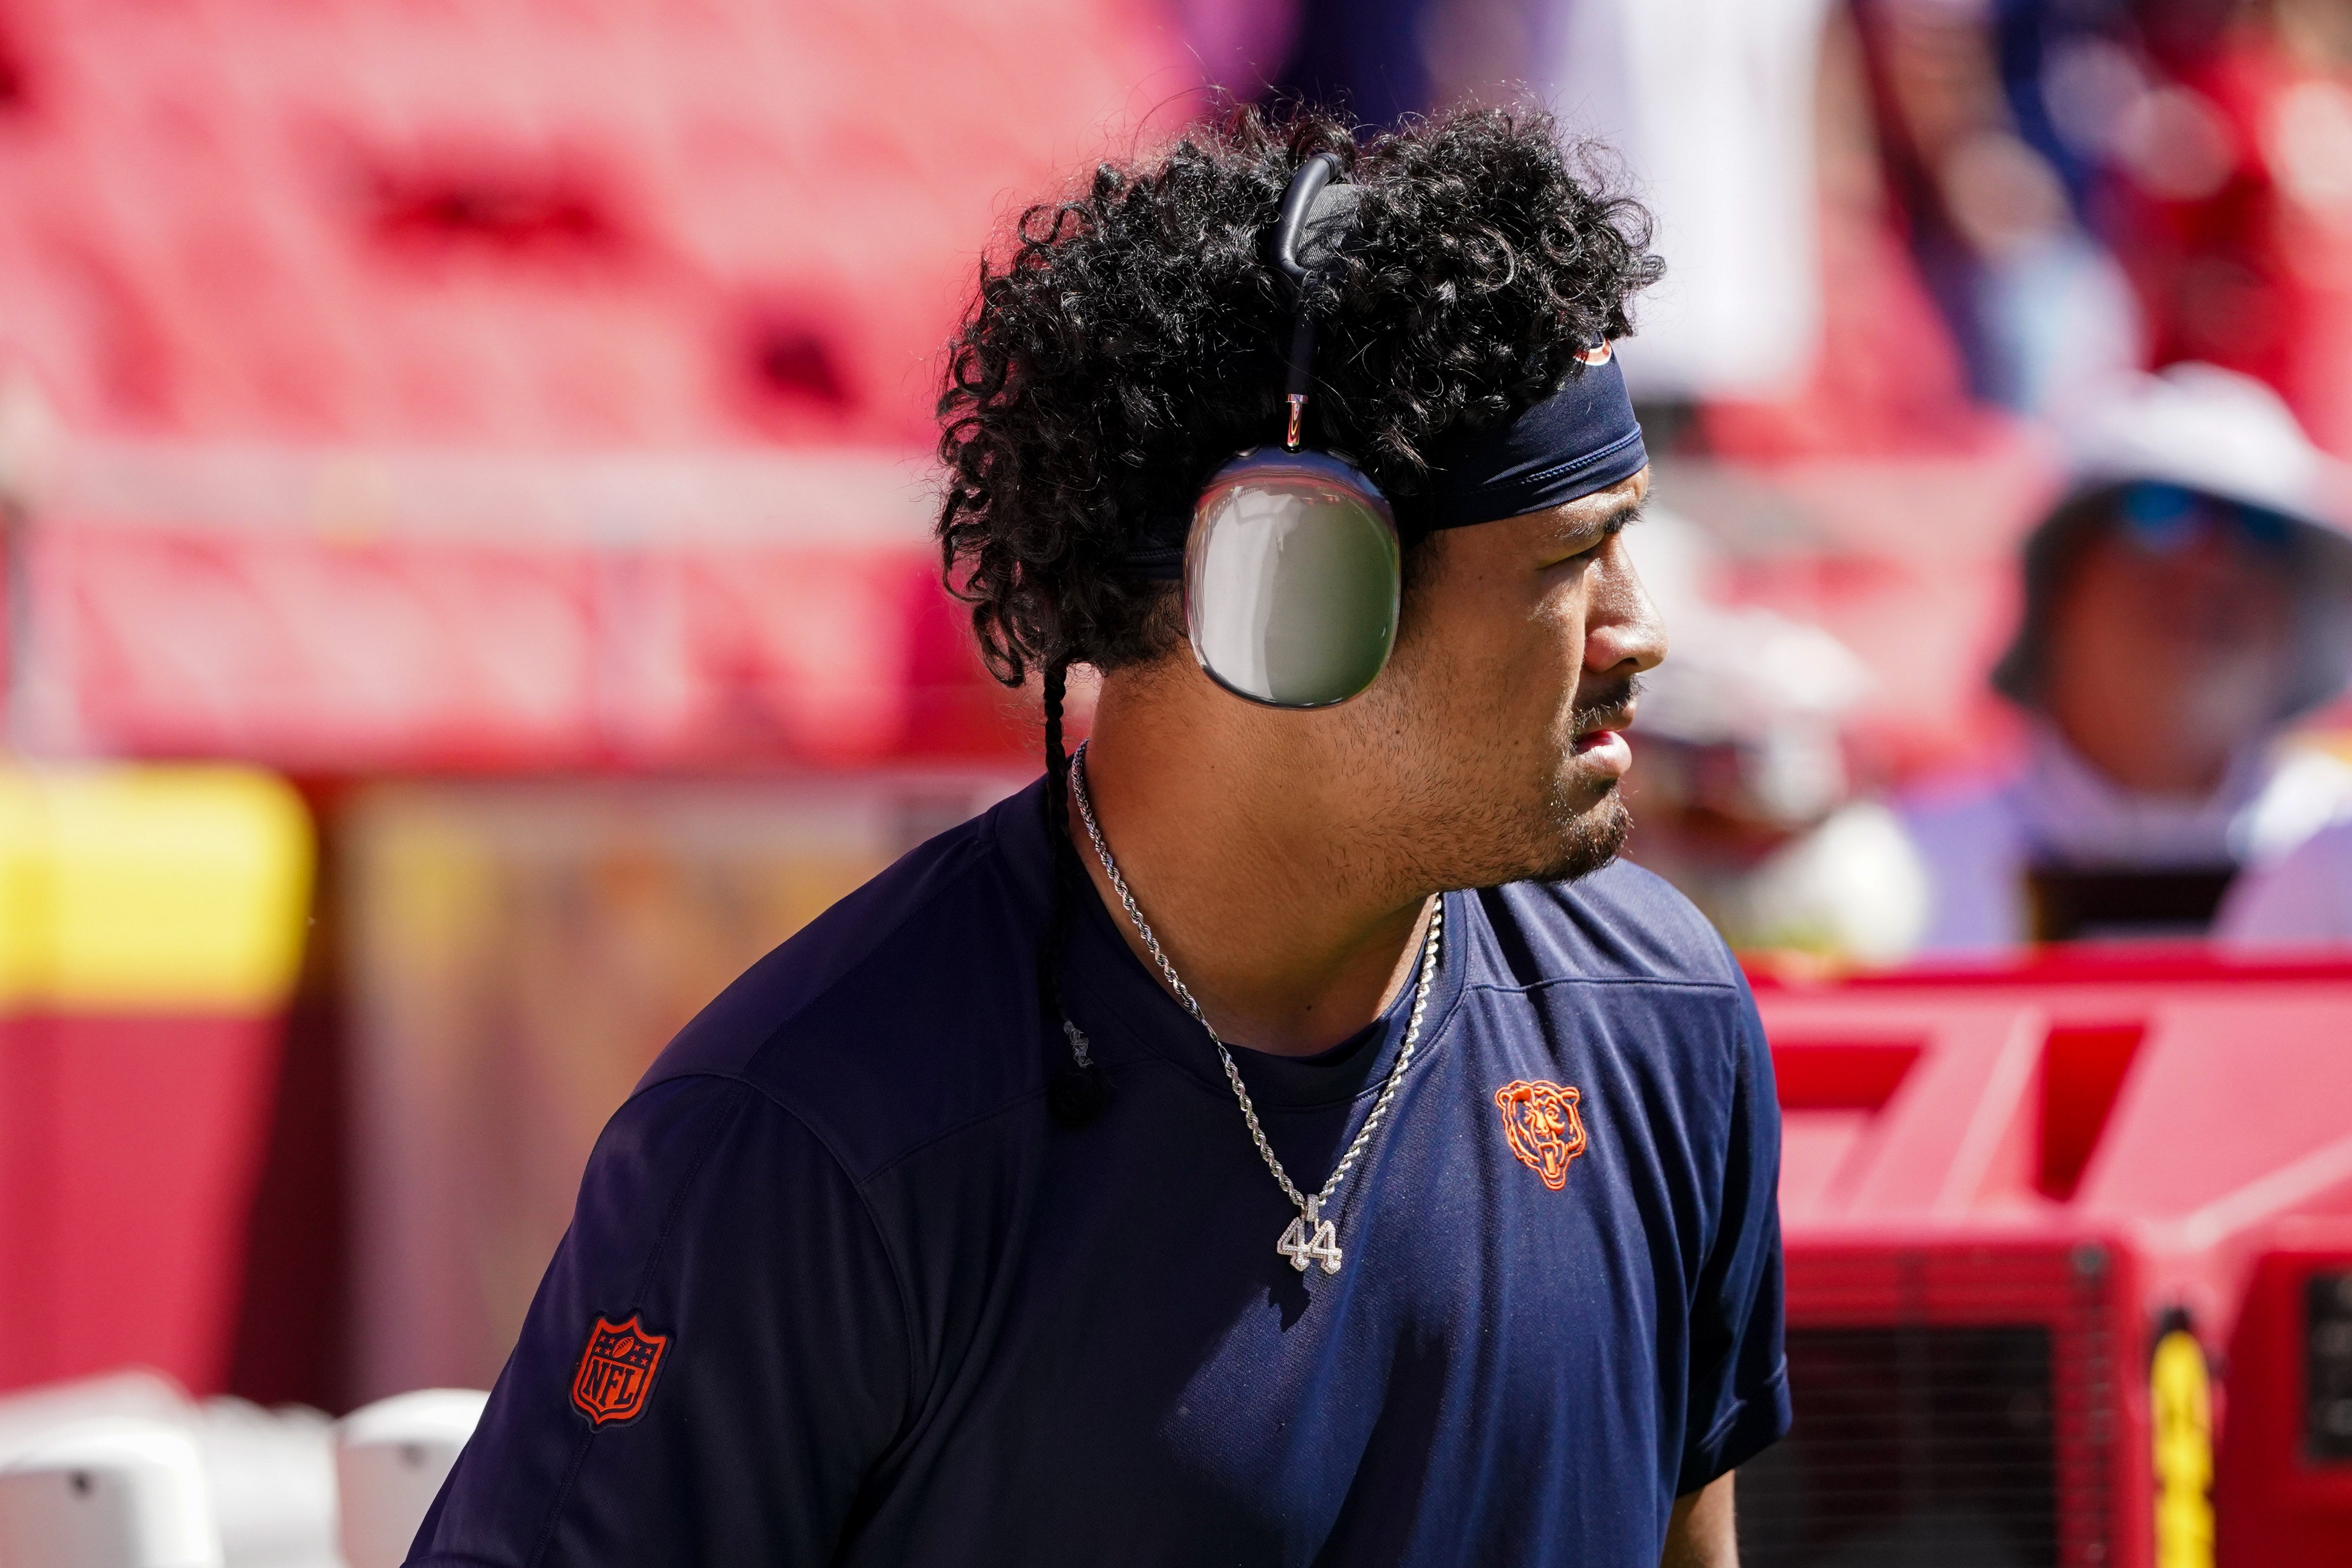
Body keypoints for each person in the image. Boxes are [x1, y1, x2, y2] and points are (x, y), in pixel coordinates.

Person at [408, 106, 1787, 1567]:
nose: (1641, 630)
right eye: (1575, 556)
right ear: (1290, 598)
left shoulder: (1662, 1023)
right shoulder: (816, 1142)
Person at [1905, 362, 2352, 950]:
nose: (2209, 563)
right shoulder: (1907, 872)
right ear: (2060, 587)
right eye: (2157, 511)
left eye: (2258, 526)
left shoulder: (2340, 848)